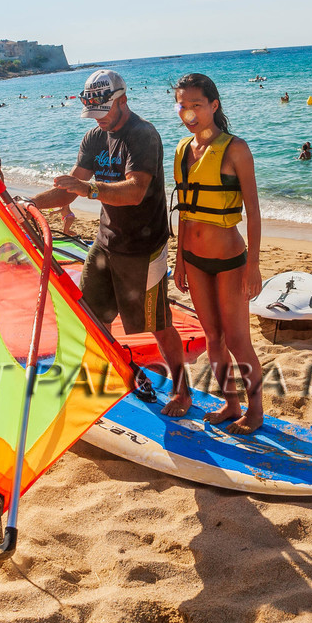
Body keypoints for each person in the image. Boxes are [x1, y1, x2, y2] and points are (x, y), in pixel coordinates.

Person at [26, 70, 190, 417]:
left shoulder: (142, 135)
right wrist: (29, 204)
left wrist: (88, 190)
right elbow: (69, 187)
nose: (99, 121)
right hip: (106, 243)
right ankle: (104, 374)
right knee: (89, 315)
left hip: (144, 248)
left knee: (157, 323)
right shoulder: (94, 137)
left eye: (104, 112)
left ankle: (182, 389)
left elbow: (135, 191)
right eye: (93, 114)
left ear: (122, 100)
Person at [171, 73, 265, 434]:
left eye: (196, 104)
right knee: (212, 338)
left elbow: (254, 210)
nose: (189, 112)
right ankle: (231, 403)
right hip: (194, 260)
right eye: (183, 105)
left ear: (214, 105)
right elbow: (184, 210)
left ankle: (255, 411)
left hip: (229, 261)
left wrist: (253, 265)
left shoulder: (235, 148)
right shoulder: (182, 149)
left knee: (238, 340)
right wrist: (180, 258)